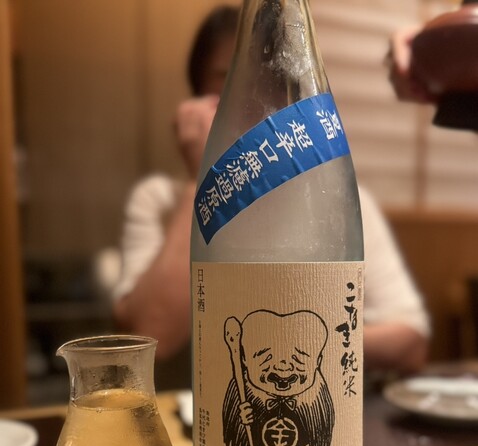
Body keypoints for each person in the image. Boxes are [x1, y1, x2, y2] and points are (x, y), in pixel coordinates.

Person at [113, 5, 430, 388]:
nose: (256, 98)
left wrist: (297, 345)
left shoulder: (336, 196)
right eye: (231, 80)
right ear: (197, 98)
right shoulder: (159, 199)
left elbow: (412, 342)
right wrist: (205, 179)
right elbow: (152, 334)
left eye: (273, 79)